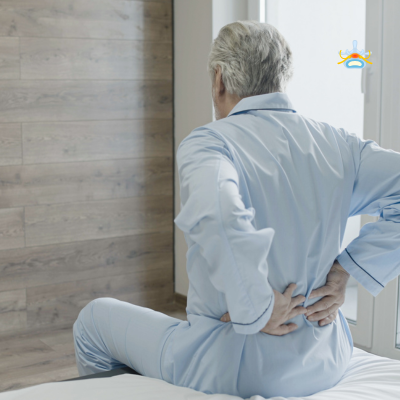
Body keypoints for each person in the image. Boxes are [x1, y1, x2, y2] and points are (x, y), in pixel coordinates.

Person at [73, 21, 400, 398]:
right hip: (327, 360)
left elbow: (218, 216)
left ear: (219, 80)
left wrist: (257, 309)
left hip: (233, 368)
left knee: (92, 320)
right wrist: (346, 271)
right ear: (281, 77)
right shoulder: (337, 144)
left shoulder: (210, 144)